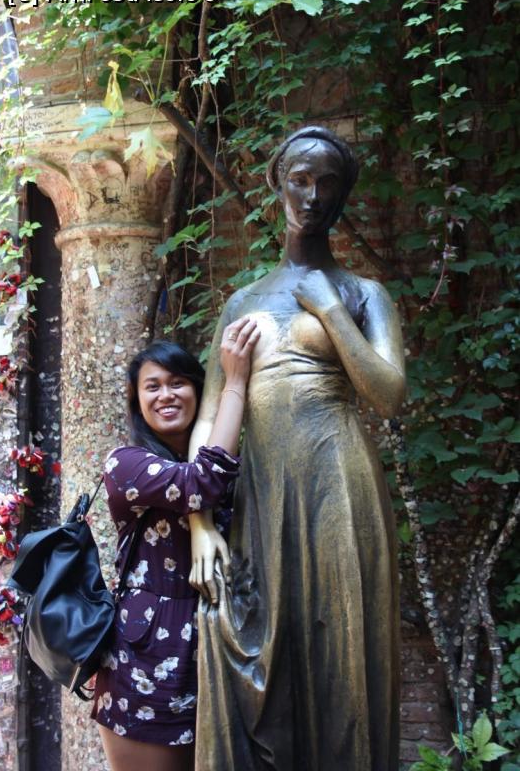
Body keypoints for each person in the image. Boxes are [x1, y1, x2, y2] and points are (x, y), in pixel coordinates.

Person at [188, 125, 406, 770]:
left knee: (346, 651)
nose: (312, 196)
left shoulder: (364, 294)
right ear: (278, 185)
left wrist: (332, 312)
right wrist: (201, 523)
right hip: (262, 488)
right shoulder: (243, 300)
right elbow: (209, 418)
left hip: (339, 482)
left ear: (343, 195)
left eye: (327, 183)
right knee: (256, 641)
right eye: (300, 179)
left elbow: (388, 394)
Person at [91, 316, 260, 771]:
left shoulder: (237, 465)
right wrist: (235, 382)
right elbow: (199, 483)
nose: (166, 395)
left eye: (178, 383)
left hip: (221, 646)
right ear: (137, 401)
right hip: (150, 655)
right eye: (153, 387)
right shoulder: (126, 464)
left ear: (198, 393)